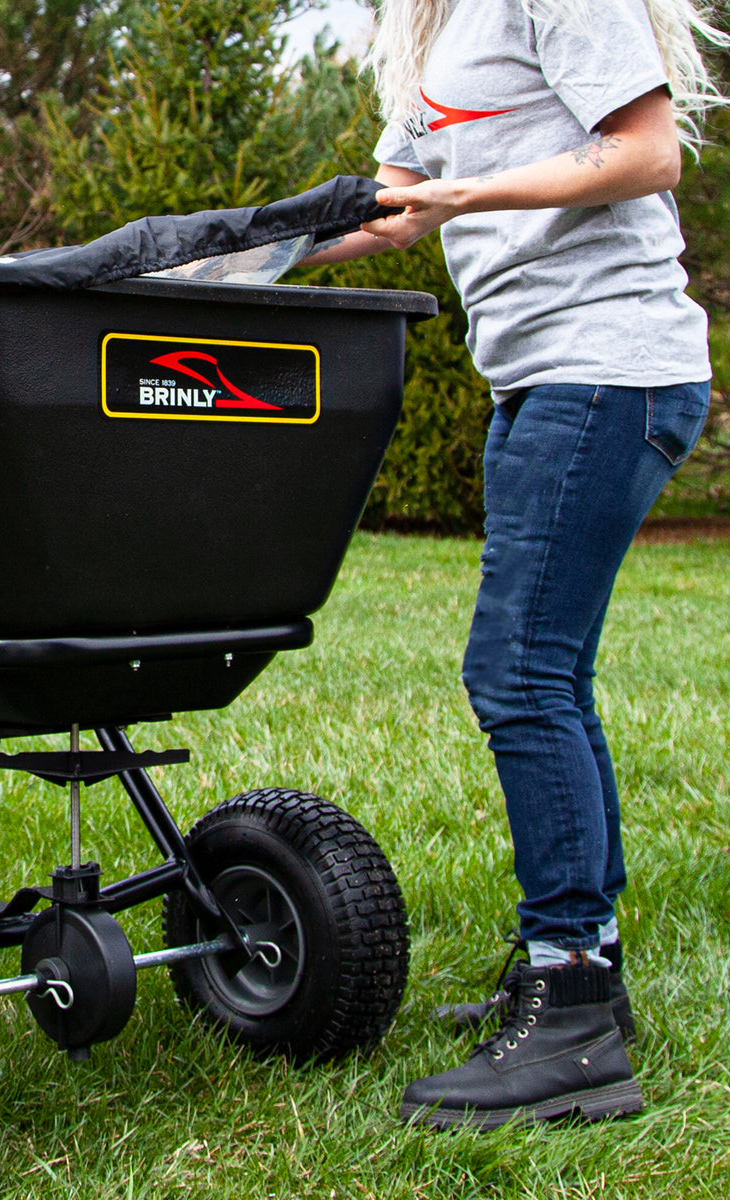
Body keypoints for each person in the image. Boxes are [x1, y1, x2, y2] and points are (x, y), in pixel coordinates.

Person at [304, 0, 725, 1129]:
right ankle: (587, 976)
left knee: (519, 673)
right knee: (550, 674)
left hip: (607, 366)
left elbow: (648, 153)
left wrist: (469, 195)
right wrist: (229, 257)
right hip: (543, 379)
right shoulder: (434, 31)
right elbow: (392, 208)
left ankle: (572, 1009)